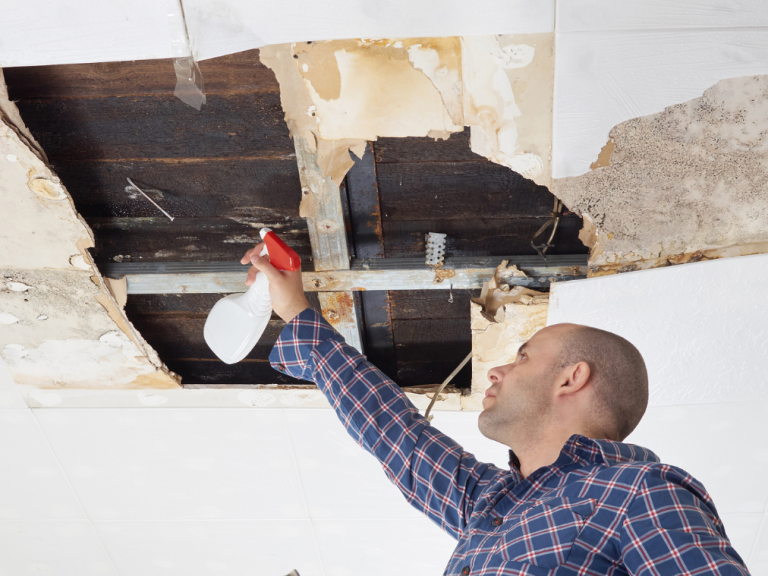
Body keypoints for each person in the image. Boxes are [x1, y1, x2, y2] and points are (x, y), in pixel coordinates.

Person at [242, 245, 750, 575]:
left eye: (523, 356)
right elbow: (394, 432)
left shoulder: (638, 493)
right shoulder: (491, 503)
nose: (496, 371)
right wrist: (296, 311)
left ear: (571, 378)